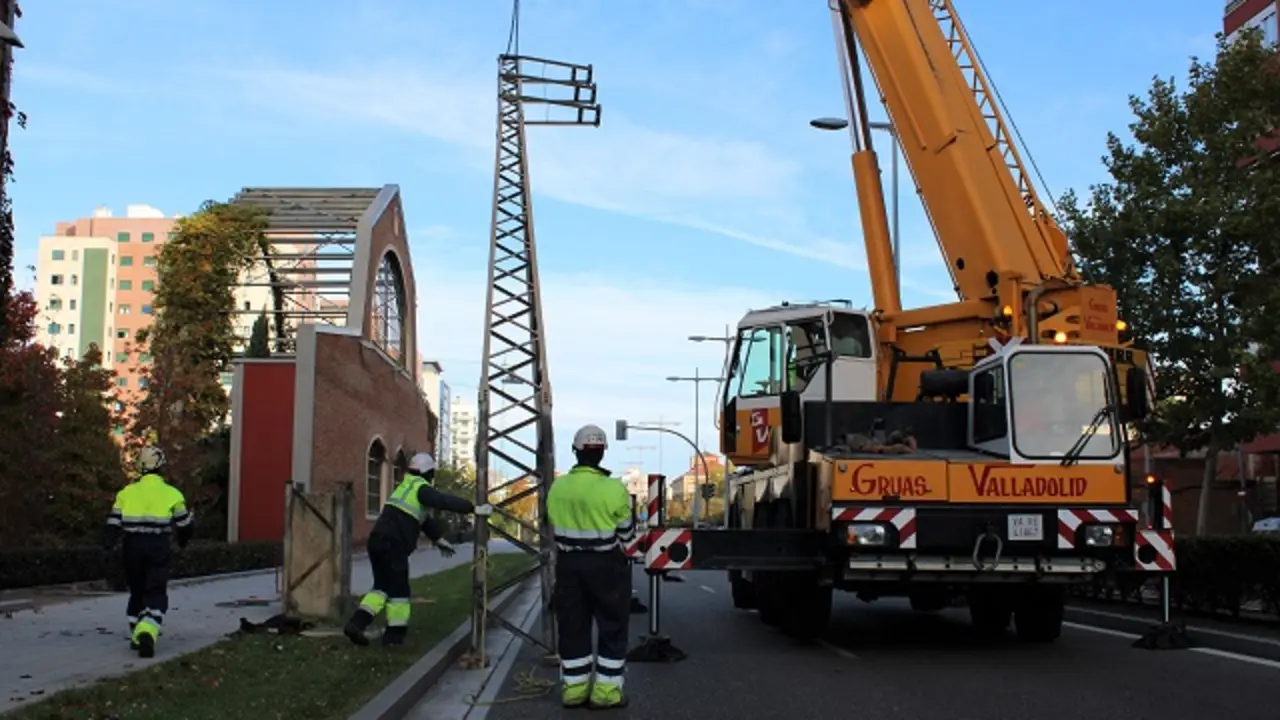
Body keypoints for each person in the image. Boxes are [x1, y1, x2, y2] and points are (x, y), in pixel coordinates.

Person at [344, 451, 492, 647]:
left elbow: (421, 519)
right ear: (427, 472)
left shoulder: (404, 488)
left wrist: (438, 539)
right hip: (393, 545)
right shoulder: (421, 488)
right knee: (399, 593)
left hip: (377, 541)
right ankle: (394, 639)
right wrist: (473, 508)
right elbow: (442, 500)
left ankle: (356, 624)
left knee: (381, 587)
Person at [547, 424, 634, 709]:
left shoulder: (557, 488)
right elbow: (626, 534)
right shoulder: (614, 488)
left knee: (572, 626)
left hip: (568, 565)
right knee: (612, 625)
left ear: (576, 451)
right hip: (605, 566)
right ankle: (606, 693)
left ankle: (574, 690)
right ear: (602, 453)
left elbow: (551, 523)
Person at [102, 446, 193, 659]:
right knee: (155, 593)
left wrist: (107, 547)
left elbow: (113, 525)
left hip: (131, 548)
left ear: (140, 467)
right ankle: (147, 631)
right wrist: (183, 542)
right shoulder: (172, 494)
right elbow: (185, 526)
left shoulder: (126, 493)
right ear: (161, 467)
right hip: (158, 548)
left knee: (137, 592)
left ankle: (136, 633)